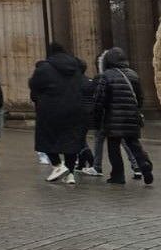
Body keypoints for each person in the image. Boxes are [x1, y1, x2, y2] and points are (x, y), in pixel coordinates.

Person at [29, 41, 89, 185]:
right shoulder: (76, 67)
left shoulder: (44, 68)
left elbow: (33, 85)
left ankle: (57, 165)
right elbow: (83, 85)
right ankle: (70, 174)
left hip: (51, 109)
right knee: (70, 141)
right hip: (74, 108)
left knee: (45, 138)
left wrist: (39, 98)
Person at [93, 46, 154, 186]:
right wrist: (135, 109)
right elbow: (140, 97)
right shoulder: (133, 74)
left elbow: (100, 100)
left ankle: (118, 175)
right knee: (134, 144)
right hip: (131, 116)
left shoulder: (106, 75)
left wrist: (97, 119)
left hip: (113, 119)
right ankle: (144, 165)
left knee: (113, 147)